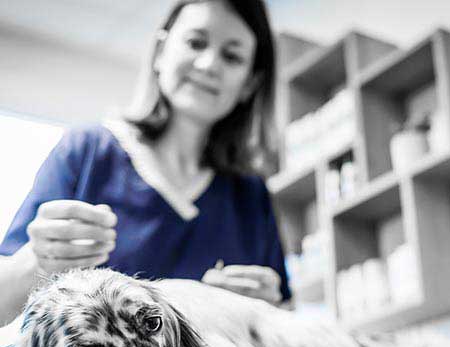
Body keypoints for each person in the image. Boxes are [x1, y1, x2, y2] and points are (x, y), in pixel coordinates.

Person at [0, 0, 292, 324]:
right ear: (160, 52)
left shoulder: (250, 197)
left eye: (232, 56)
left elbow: (289, 327)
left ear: (249, 84)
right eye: (196, 42)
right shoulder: (87, 153)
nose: (210, 64)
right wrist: (36, 263)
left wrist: (265, 312)